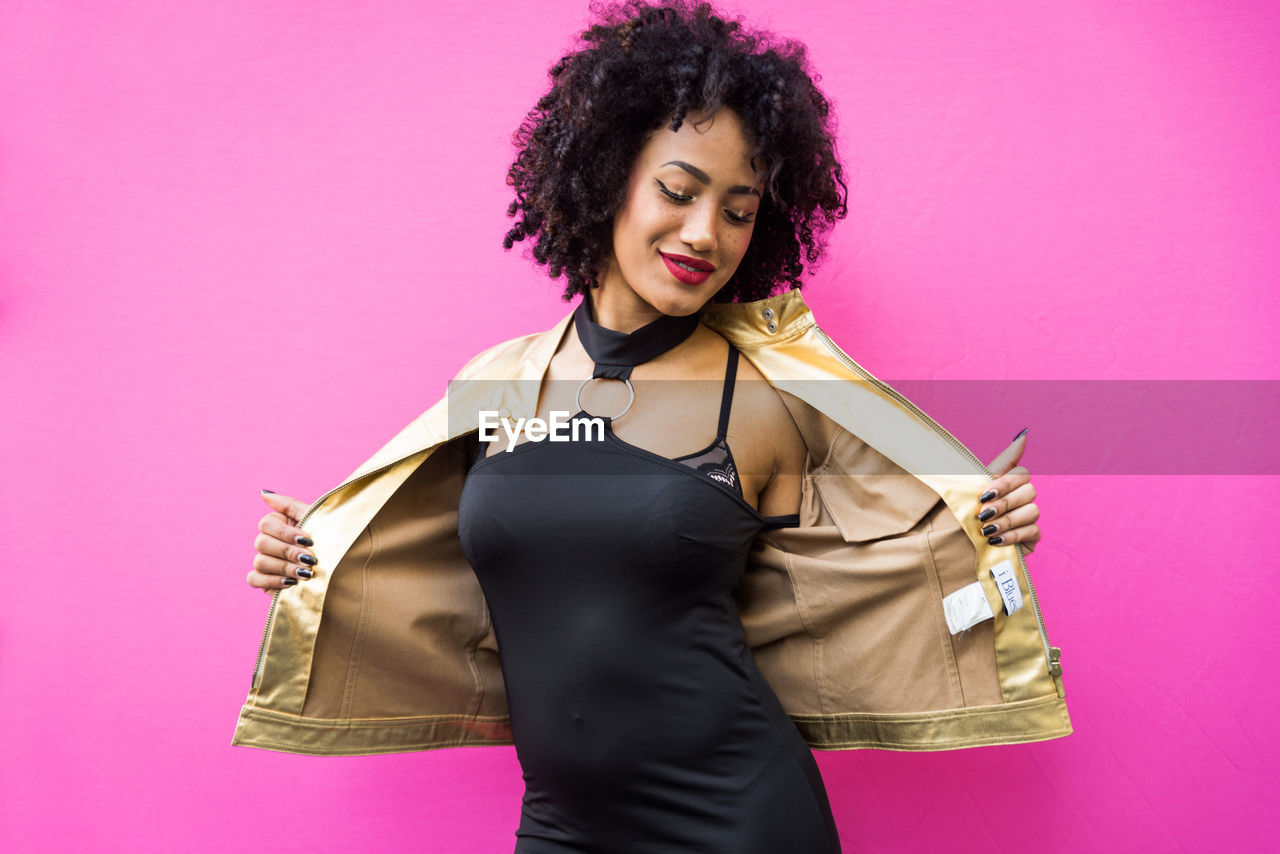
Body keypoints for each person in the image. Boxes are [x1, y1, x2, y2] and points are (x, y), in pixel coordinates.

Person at [238, 3, 1060, 851]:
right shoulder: (498, 384)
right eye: (678, 190)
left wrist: (988, 522)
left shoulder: (767, 393)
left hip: (739, 820)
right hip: (559, 827)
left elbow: (901, 541)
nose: (705, 233)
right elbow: (408, 551)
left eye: (739, 210)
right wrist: (313, 552)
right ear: (605, 175)